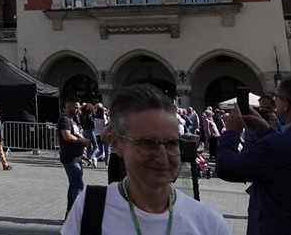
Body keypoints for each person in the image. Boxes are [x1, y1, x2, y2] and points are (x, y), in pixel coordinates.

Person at [61, 83, 229, 235]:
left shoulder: (208, 224)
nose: (162, 158)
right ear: (117, 144)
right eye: (148, 143)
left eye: (171, 143)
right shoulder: (91, 209)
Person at [216, 77, 291, 235]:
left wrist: (231, 132)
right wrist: (267, 131)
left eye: (275, 98)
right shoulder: (279, 142)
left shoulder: (276, 145)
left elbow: (225, 167)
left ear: (285, 104)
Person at [57, 96, 90, 217]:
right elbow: (67, 136)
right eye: (76, 107)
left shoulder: (74, 119)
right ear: (69, 107)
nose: (79, 110)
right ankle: (76, 214)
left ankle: (70, 213)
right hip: (69, 157)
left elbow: (75, 133)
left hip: (77, 157)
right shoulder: (64, 120)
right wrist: (82, 141)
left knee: (73, 185)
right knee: (78, 185)